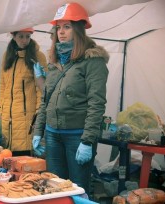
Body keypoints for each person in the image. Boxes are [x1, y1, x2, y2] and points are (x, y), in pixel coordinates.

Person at [32, 2, 109, 198]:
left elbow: (96, 104)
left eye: (67, 27)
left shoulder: (93, 61)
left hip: (77, 136)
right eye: (59, 27)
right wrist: (38, 131)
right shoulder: (55, 62)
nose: (61, 32)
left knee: (78, 190)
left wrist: (87, 140)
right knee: (55, 190)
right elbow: (45, 101)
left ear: (79, 29)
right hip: (53, 134)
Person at [0, 27, 47, 156]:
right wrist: (0, 110)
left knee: (24, 163)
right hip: (7, 119)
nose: (25, 40)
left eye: (28, 36)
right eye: (21, 36)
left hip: (27, 118)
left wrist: (38, 115)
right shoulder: (7, 56)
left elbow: (41, 90)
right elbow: (3, 86)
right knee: (7, 162)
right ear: (13, 36)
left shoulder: (38, 56)